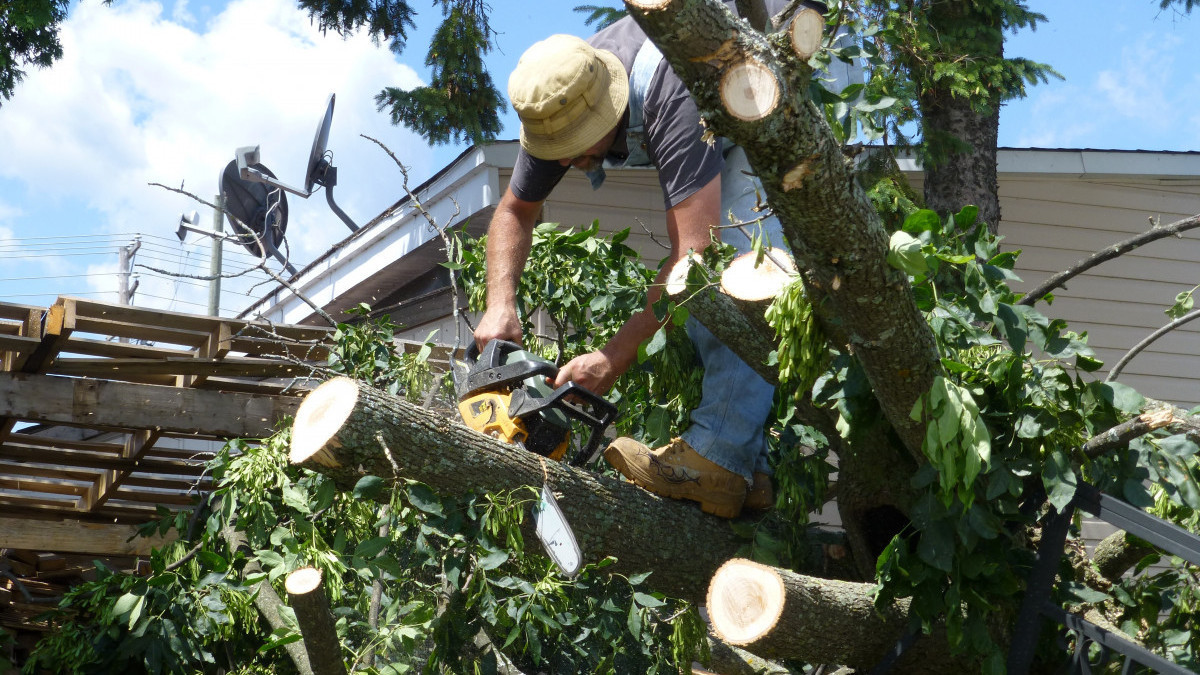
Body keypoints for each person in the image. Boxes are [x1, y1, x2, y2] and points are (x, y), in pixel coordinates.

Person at [473, 17, 783, 519]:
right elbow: (513, 211)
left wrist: (612, 356)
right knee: (711, 275)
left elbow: (693, 261)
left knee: (737, 266)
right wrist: (499, 304)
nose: (569, 162)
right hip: (709, 113)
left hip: (756, 92)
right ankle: (752, 469)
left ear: (608, 111)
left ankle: (722, 457)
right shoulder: (556, 102)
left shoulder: (671, 89)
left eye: (577, 150)